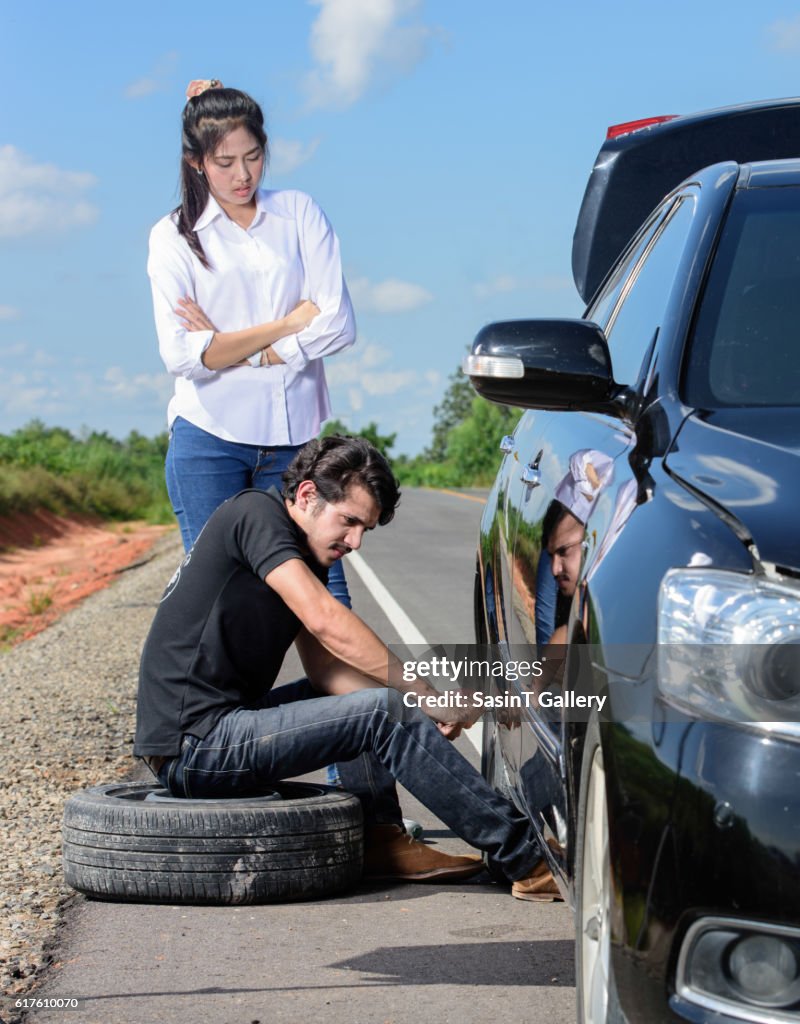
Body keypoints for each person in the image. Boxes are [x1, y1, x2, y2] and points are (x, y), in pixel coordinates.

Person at [133, 435, 560, 899]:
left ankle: (381, 841)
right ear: (307, 494)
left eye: (365, 530)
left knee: (370, 701)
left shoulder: (300, 552)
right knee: (381, 711)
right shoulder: (255, 515)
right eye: (349, 521)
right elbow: (327, 620)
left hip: (219, 730)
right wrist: (423, 695)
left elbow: (325, 672)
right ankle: (527, 859)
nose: (355, 541)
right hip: (195, 745)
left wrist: (420, 708)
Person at [147, 79, 354, 608]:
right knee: (221, 604)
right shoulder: (172, 238)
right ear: (196, 161)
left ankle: (372, 695)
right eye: (224, 162)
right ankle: (225, 697)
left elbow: (338, 323)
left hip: (296, 446)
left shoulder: (299, 214)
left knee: (325, 599)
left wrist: (230, 343)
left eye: (254, 156)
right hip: (209, 440)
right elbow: (183, 356)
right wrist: (286, 325)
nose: (242, 175)